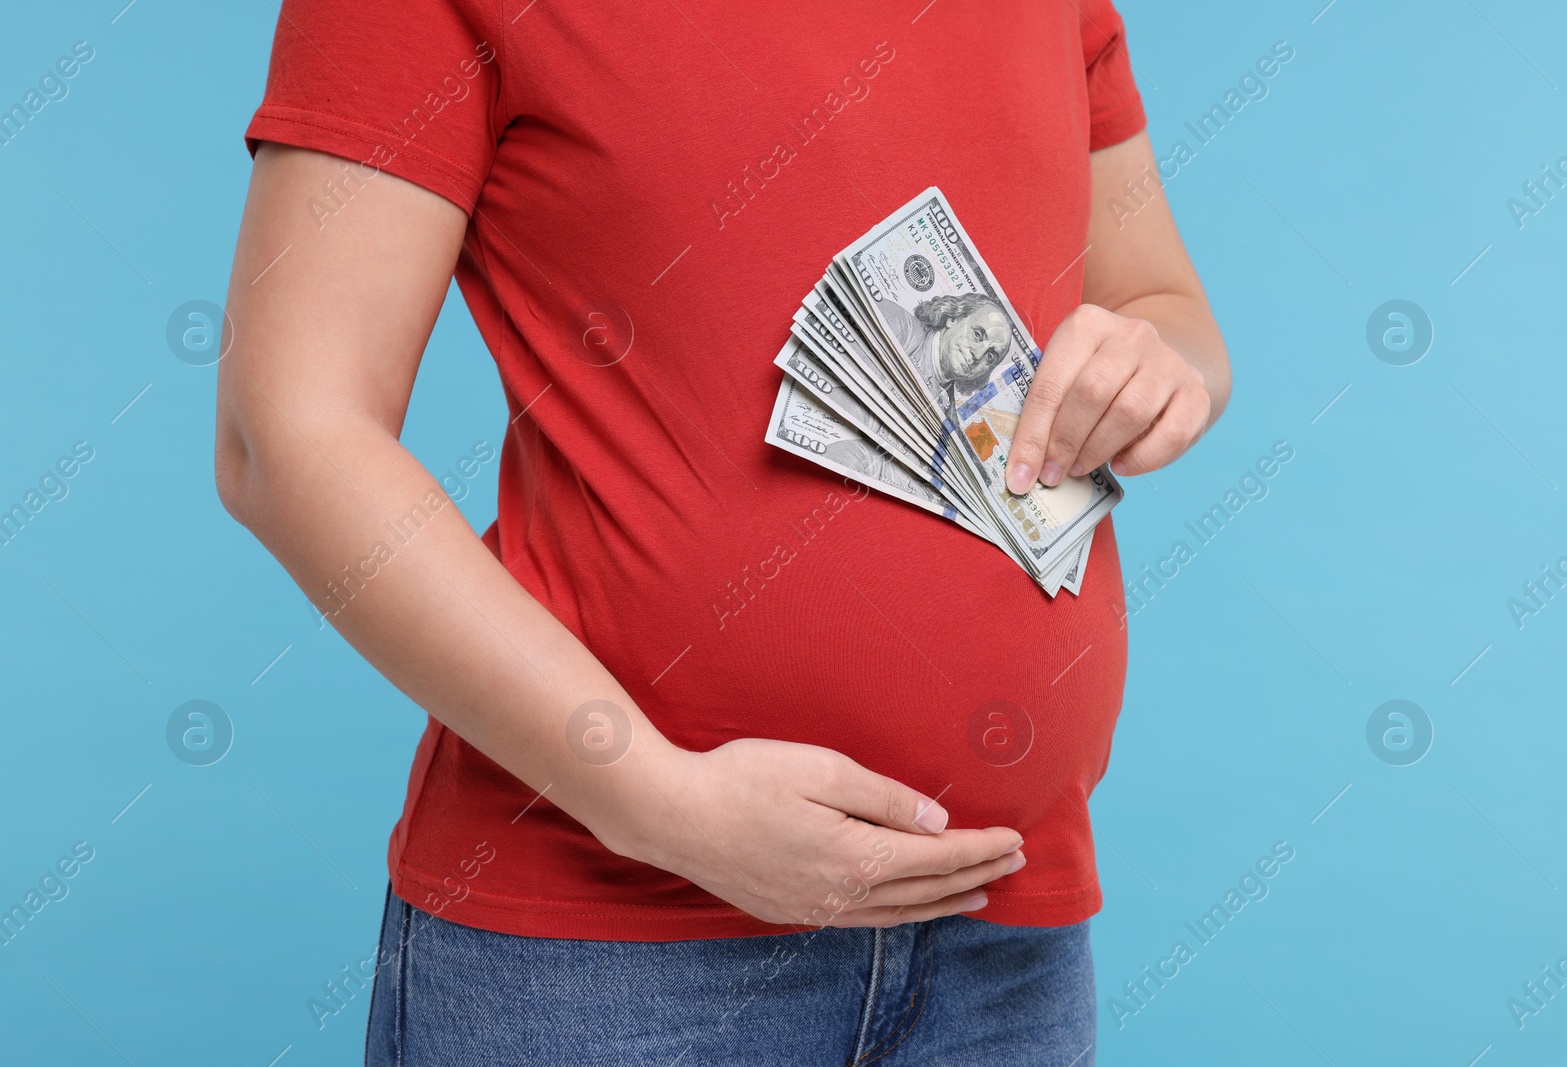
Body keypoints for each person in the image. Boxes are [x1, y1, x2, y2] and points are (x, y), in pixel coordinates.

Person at [216, 2, 1229, 1064]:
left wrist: (1161, 370)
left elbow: (1160, 303)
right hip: (604, 958)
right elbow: (284, 434)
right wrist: (654, 802)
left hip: (1005, 944)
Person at [876, 293, 1013, 416]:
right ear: (953, 319)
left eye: (990, 356)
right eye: (977, 335)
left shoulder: (949, 421)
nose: (977, 355)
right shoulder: (893, 322)